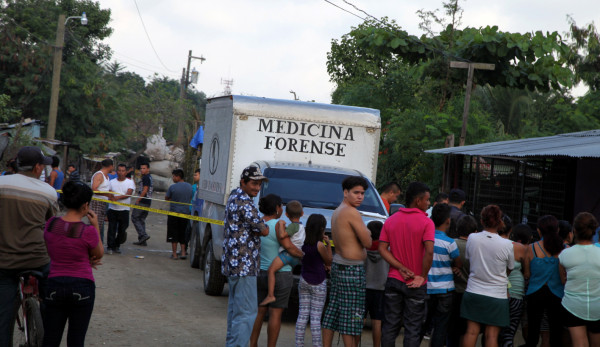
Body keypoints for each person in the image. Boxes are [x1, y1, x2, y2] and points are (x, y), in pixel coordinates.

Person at [0, 146, 57, 346]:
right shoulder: (49, 193)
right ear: (37, 167)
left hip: (4, 260)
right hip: (37, 257)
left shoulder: (1, 183)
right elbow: (51, 225)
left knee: (3, 316)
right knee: (53, 291)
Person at [42, 180, 104, 346]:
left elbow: (52, 250)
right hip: (82, 285)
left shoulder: (51, 224)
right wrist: (96, 225)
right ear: (85, 206)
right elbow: (98, 254)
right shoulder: (88, 231)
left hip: (54, 284)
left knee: (50, 338)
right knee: (76, 340)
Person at [378, 181, 434, 347]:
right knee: (413, 328)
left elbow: (382, 249)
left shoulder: (391, 220)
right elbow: (429, 252)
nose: (429, 203)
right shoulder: (426, 223)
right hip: (416, 283)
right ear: (418, 201)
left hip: (394, 279)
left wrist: (400, 267)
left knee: (390, 325)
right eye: (427, 200)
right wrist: (422, 276)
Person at [322, 176, 373, 347]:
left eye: (362, 193)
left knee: (334, 310)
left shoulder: (338, 210)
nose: (360, 196)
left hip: (339, 265)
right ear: (345, 192)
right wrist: (368, 233)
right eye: (356, 192)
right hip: (351, 269)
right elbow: (367, 242)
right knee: (351, 317)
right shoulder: (351, 212)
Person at [222, 166, 269, 347]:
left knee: (235, 312)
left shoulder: (234, 196)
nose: (257, 188)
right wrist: (261, 229)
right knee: (247, 313)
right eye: (253, 184)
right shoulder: (245, 203)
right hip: (245, 265)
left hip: (233, 264)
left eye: (259, 184)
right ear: (243, 182)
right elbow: (263, 230)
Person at [461, 205, 514, 347]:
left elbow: (469, 259)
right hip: (497, 296)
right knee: (492, 336)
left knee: (471, 332)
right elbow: (509, 269)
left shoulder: (472, 238)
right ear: (500, 222)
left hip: (473, 291)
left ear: (482, 220)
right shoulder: (507, 244)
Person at [250, 194, 297, 347]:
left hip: (260, 273)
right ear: (277, 208)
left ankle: (252, 344)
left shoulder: (257, 225)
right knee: (275, 314)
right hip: (281, 274)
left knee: (259, 312)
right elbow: (289, 246)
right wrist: (303, 255)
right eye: (281, 206)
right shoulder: (279, 224)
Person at [559, 212, 600, 347]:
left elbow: (563, 280)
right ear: (594, 230)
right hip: (597, 305)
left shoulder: (565, 254)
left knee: (579, 343)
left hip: (573, 306)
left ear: (574, 230)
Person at [423, 203, 461, 347]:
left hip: (427, 287)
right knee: (440, 326)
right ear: (448, 221)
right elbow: (458, 263)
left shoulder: (426, 238)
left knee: (421, 323)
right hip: (445, 290)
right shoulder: (450, 243)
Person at [525, 215, 565, 347]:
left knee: (533, 329)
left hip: (535, 292)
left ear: (538, 231)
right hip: (558, 293)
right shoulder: (565, 249)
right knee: (556, 330)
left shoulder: (531, 248)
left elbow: (527, 273)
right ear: (557, 230)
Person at [295, 214, 332, 347]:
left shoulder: (302, 243)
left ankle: (299, 344)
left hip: (304, 279)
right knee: (315, 318)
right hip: (319, 282)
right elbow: (329, 261)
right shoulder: (320, 245)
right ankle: (317, 345)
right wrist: (328, 244)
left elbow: (301, 259)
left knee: (302, 315)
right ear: (321, 229)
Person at [259, 200, 305, 306]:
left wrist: (280, 224)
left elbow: (283, 235)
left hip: (287, 255)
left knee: (271, 270)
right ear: (302, 213)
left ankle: (270, 295)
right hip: (295, 257)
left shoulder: (293, 226)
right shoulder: (302, 227)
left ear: (286, 214)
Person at [499, 222, 532, 347]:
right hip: (517, 293)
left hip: (500, 293)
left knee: (496, 331)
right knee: (510, 331)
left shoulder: (499, 246)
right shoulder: (523, 249)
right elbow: (527, 273)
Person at [447, 215, 478, 347]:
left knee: (451, 328)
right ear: (474, 231)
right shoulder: (477, 247)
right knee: (466, 330)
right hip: (470, 292)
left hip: (452, 291)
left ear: (457, 228)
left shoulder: (451, 244)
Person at [364, 220, 388, 347]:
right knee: (377, 321)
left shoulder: (364, 248)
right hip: (381, 289)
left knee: (359, 319)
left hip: (364, 288)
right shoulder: (386, 249)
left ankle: (354, 343)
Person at [106, 164, 135, 255]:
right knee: (111, 229)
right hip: (113, 209)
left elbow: (128, 193)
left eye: (123, 171)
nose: (121, 172)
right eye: (119, 170)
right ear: (117, 171)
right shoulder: (111, 182)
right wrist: (112, 197)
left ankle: (117, 245)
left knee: (122, 229)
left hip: (124, 210)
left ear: (126, 172)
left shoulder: (130, 182)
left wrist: (117, 198)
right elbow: (109, 192)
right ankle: (110, 247)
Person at [165, 169, 193, 260]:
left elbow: (167, 198)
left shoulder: (173, 187)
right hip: (185, 213)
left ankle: (174, 254)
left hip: (174, 213)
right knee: (183, 233)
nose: (173, 178)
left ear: (177, 176)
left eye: (173, 176)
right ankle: (183, 253)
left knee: (174, 234)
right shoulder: (190, 187)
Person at [90, 158, 114, 242]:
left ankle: (98, 243)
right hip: (97, 202)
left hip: (104, 203)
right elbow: (94, 189)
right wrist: (106, 194)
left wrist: (110, 195)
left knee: (100, 225)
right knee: (96, 225)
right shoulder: (99, 175)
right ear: (110, 166)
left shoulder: (107, 176)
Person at [132, 163, 153, 246]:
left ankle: (143, 235)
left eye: (144, 168)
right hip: (148, 202)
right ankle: (142, 240)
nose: (142, 170)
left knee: (134, 217)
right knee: (141, 220)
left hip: (143, 201)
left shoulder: (146, 178)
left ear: (148, 169)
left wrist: (138, 200)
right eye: (141, 168)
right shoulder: (149, 177)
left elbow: (145, 190)